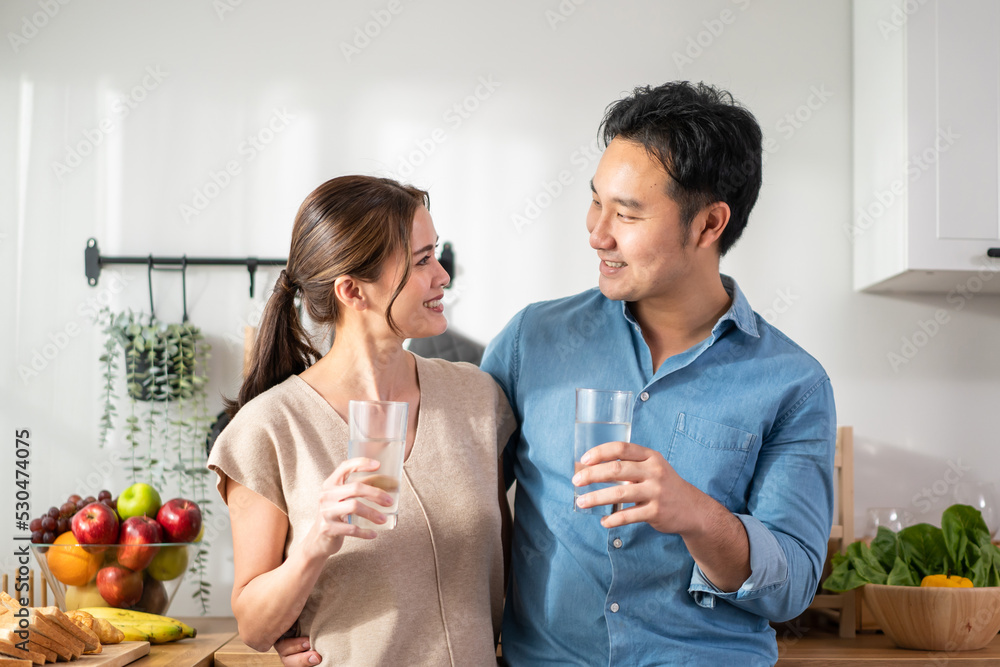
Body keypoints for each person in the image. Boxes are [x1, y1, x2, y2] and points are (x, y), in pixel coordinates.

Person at [480, 82, 836, 665]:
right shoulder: (532, 340)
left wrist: (695, 514)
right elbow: (448, 491)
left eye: (627, 213)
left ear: (708, 225)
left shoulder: (793, 385)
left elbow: (792, 587)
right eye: (596, 201)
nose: (598, 232)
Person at [208, 175, 515, 667]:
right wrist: (314, 546)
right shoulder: (269, 428)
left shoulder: (476, 397)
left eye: (435, 254)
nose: (442, 276)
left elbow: (509, 577)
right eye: (421, 262)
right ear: (352, 290)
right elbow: (255, 626)